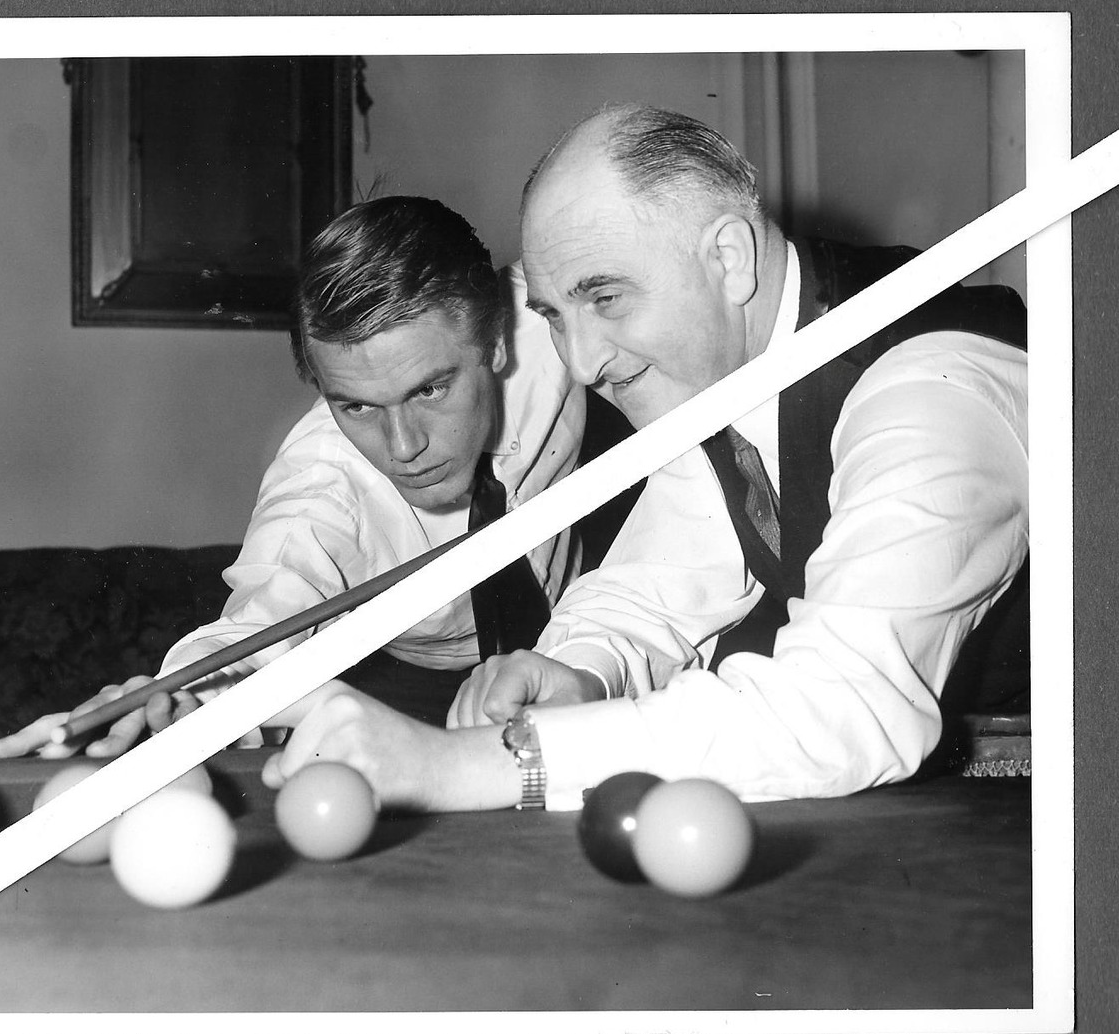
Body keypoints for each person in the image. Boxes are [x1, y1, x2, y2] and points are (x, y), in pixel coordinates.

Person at [260, 104, 1029, 810]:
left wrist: (467, 766)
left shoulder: (933, 387)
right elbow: (660, 582)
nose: (584, 362)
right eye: (557, 316)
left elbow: (846, 703)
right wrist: (578, 668)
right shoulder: (728, 376)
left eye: (606, 298)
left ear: (729, 257)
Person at [0, 195, 633, 760]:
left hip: (581, 633)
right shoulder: (321, 486)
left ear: (495, 341)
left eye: (430, 388)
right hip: (405, 684)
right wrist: (176, 691)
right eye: (356, 406)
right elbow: (259, 617)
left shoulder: (558, 322)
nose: (403, 447)